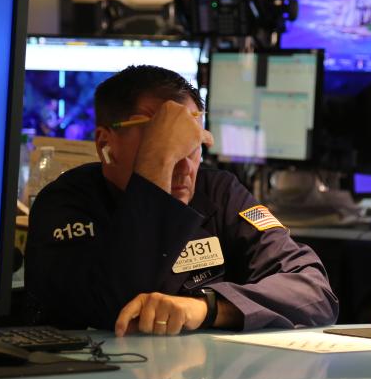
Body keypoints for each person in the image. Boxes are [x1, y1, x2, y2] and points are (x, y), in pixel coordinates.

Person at [25, 64, 339, 335]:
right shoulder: (65, 204)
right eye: (161, 142)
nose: (184, 165)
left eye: (191, 142)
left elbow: (314, 292)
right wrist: (155, 166)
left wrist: (207, 307)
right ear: (106, 143)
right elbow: (113, 310)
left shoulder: (218, 192)